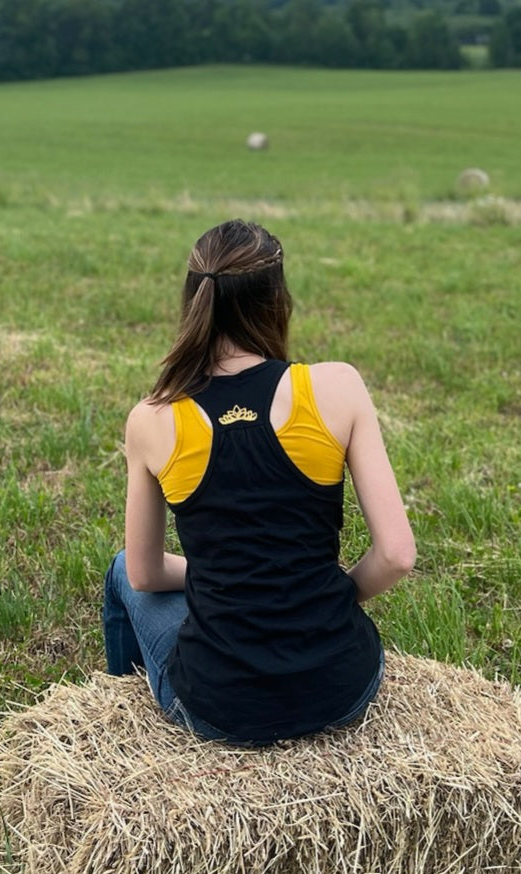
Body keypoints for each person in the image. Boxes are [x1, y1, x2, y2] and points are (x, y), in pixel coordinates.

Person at [102, 219, 415, 746]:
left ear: (193, 299)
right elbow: (397, 556)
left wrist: (232, 573)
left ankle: (116, 721)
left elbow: (145, 573)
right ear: (277, 299)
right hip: (344, 687)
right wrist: (322, 594)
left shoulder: (152, 419)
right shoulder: (338, 386)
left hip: (216, 706)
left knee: (119, 569)